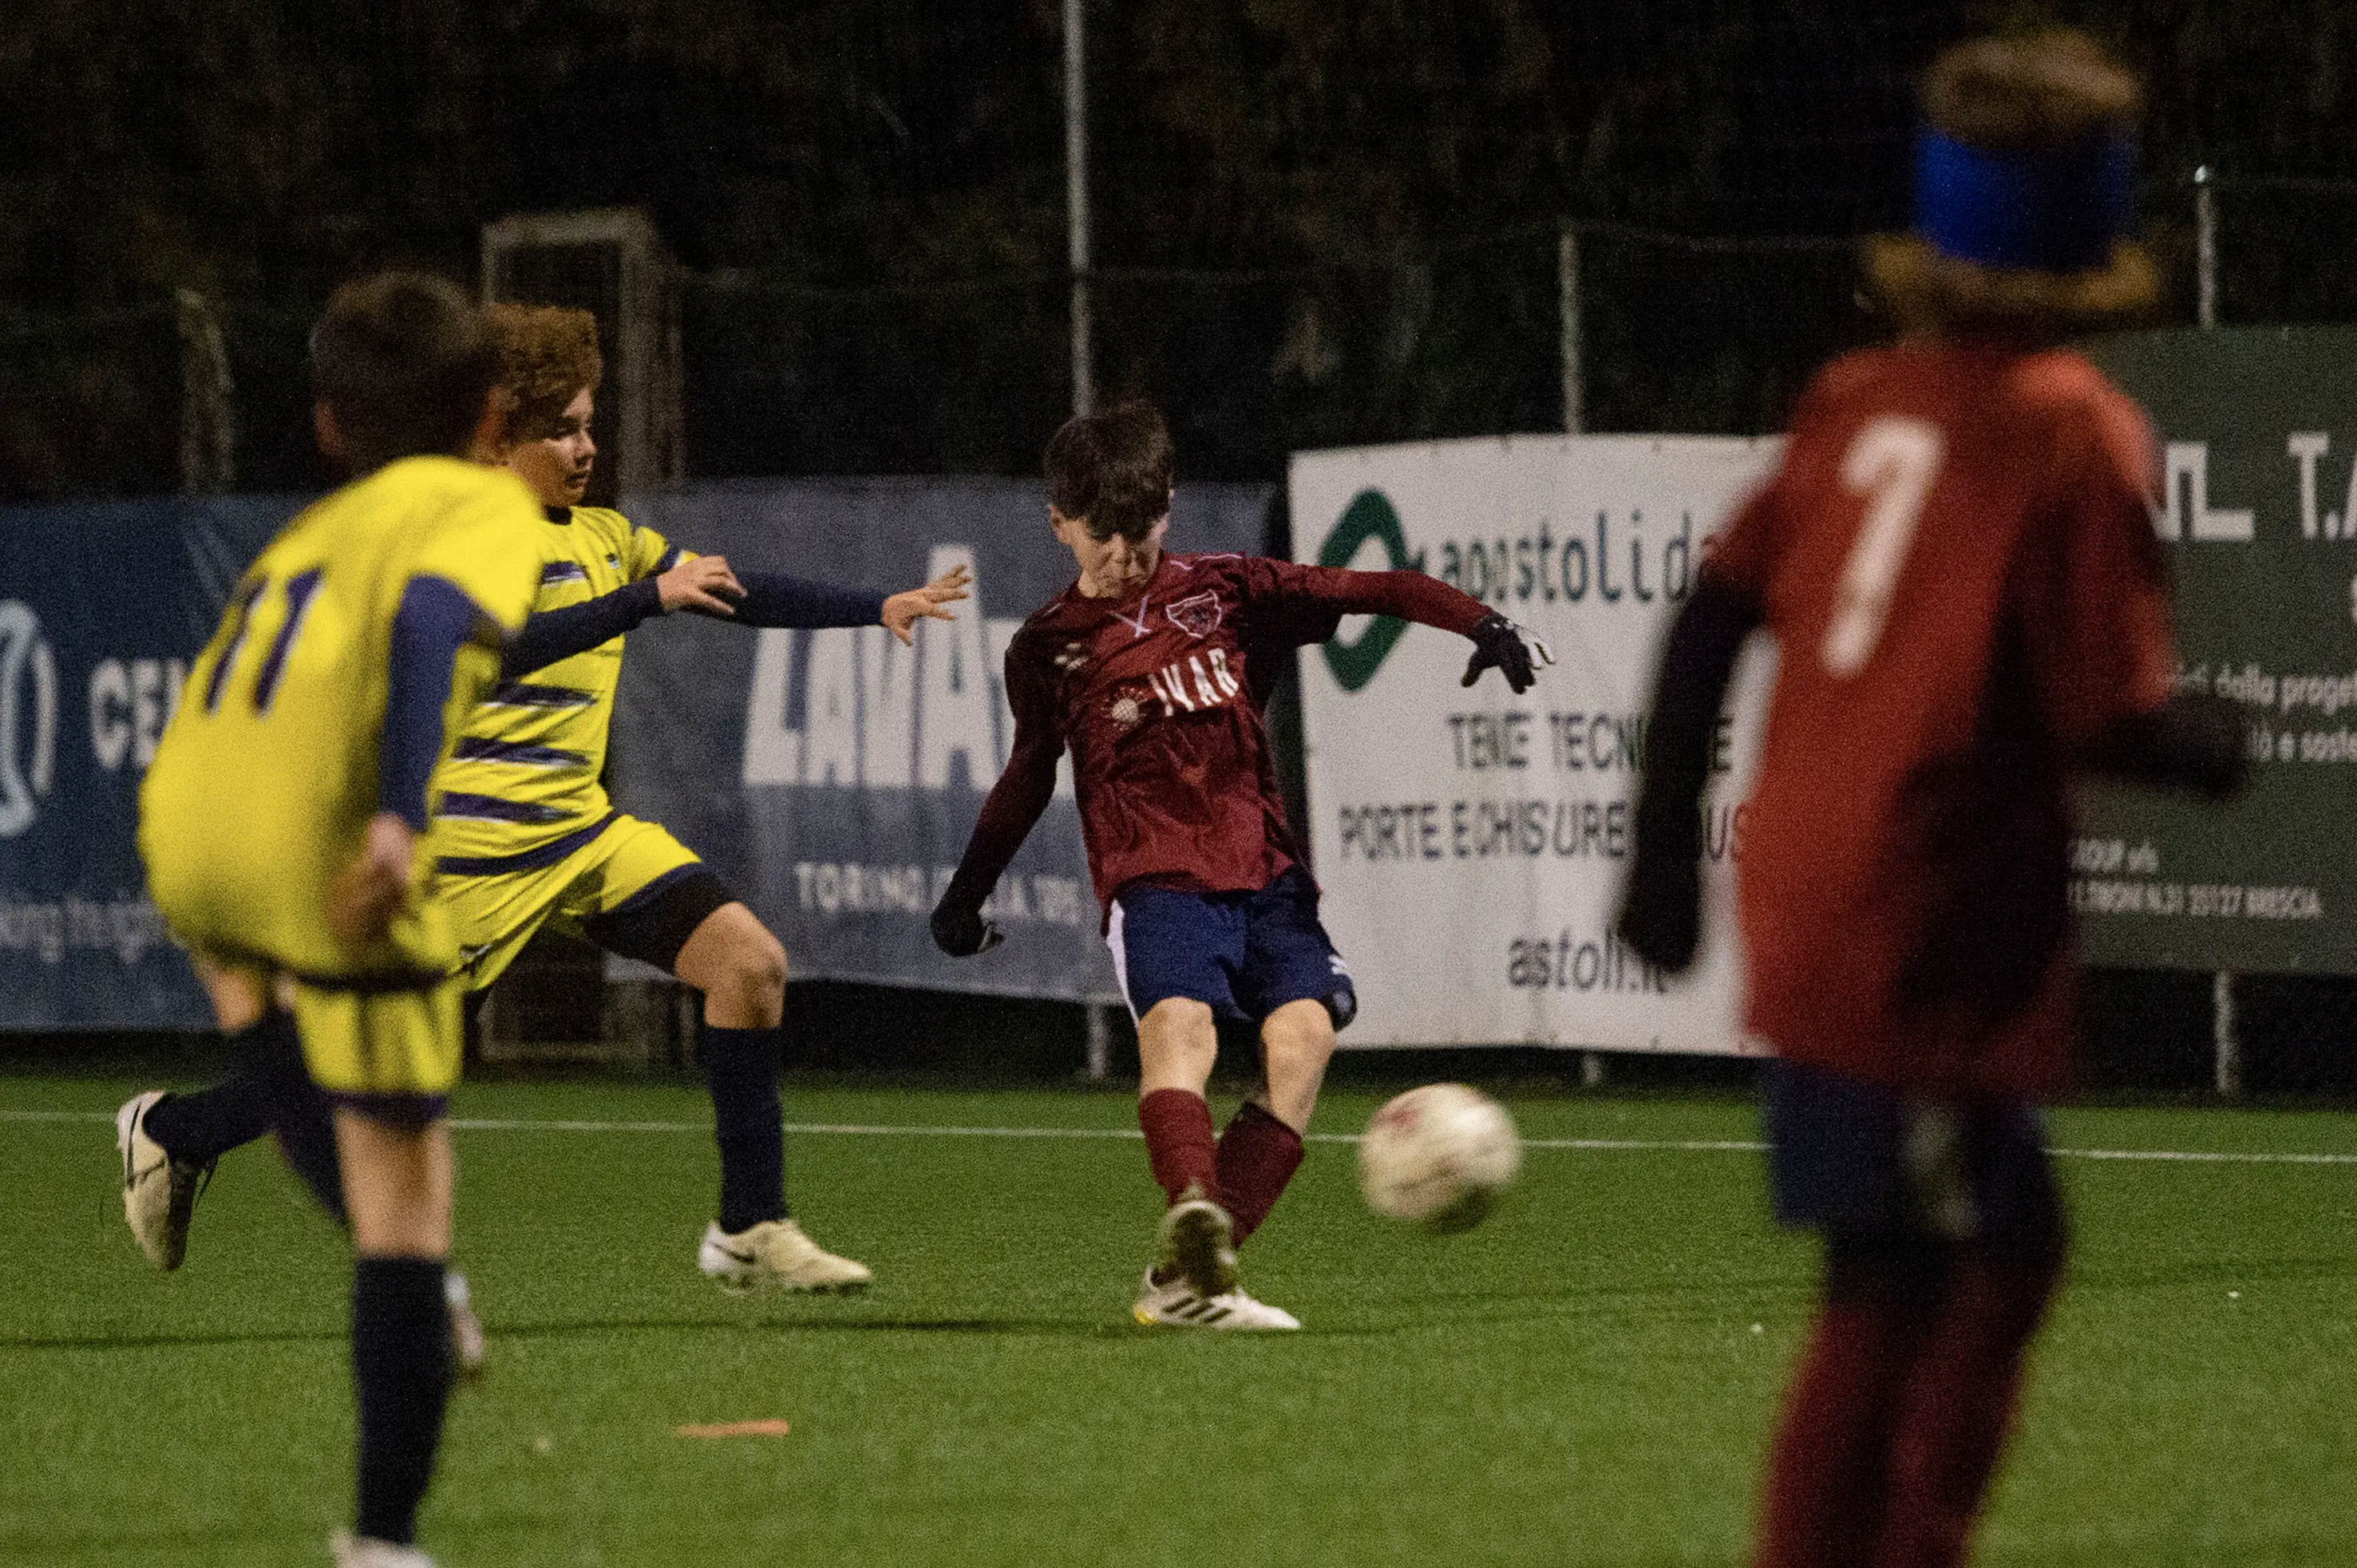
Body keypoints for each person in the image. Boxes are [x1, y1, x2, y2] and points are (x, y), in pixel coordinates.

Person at [1616, 33, 2246, 1568]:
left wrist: (1657, 858)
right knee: (1921, 1281)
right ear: (2097, 224)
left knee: (1946, 1256)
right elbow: (2104, 712)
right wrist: (2206, 742)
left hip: (1822, 893)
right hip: (1927, 917)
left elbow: (1705, 620)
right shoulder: (2067, 425)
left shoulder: (1854, 395)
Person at [121, 302, 969, 1297]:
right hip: (470, 856)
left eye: (589, 422)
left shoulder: (608, 537)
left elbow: (729, 588)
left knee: (749, 964)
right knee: (356, 1076)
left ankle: (749, 1227)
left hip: (580, 835)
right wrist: (641, 601)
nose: (585, 446)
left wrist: (874, 608)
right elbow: (502, 642)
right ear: (497, 437)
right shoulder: (469, 540)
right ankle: (172, 1131)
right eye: (560, 428)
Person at [931, 401, 1549, 1329]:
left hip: (1265, 870)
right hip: (1155, 876)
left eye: (1142, 529)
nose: (1125, 553)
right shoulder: (1049, 647)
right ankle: (1191, 1207)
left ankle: (1186, 1283)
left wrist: (1480, 623)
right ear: (1059, 523)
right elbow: (1028, 773)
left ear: (1168, 509)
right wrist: (964, 896)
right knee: (1182, 1029)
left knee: (1303, 1038)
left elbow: (1371, 589)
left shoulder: (1227, 590)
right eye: (1102, 534)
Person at [130, 272, 544, 1568]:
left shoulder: (305, 532)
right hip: (318, 834)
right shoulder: (481, 501)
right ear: (489, 413)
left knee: (280, 1054)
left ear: (326, 426)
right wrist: (400, 825)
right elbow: (431, 623)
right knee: (406, 1204)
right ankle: (381, 1540)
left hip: (190, 819)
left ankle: (415, 1293)